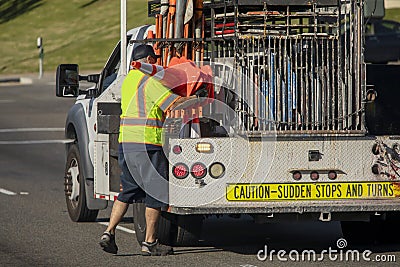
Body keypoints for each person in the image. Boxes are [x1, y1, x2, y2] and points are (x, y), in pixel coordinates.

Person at [99, 44, 197, 256]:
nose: (158, 64)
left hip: (127, 144)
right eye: (156, 60)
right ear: (149, 61)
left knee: (127, 192)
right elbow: (173, 104)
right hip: (147, 144)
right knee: (154, 193)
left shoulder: (128, 81)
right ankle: (150, 242)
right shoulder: (148, 81)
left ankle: (109, 232)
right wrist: (198, 97)